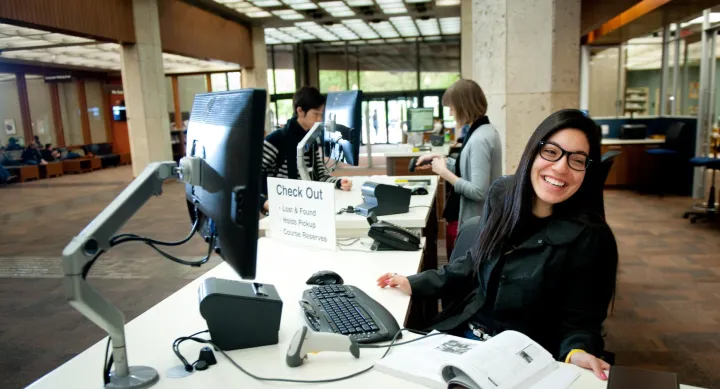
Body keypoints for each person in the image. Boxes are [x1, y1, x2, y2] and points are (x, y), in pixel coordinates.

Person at [376, 109, 618, 381]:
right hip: (465, 341)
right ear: (533, 152)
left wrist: (577, 351)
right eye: (551, 152)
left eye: (577, 160)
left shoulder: (591, 237)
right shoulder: (503, 195)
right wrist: (415, 282)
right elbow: (473, 260)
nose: (561, 167)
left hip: (522, 363)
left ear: (588, 169)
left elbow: (581, 320)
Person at [414, 79, 502, 257]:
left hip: (471, 221)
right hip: (470, 218)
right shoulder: (481, 131)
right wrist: (439, 160)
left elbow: (478, 191)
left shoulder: (479, 140)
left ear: (463, 107)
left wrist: (444, 172)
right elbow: (467, 168)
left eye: (452, 108)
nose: (451, 113)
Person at [260, 86, 352, 213]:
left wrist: (338, 183)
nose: (319, 119)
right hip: (283, 210)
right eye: (315, 114)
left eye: (321, 114)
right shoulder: (276, 140)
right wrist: (263, 202)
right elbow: (251, 177)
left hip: (307, 208)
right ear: (300, 111)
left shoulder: (310, 139)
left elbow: (319, 176)